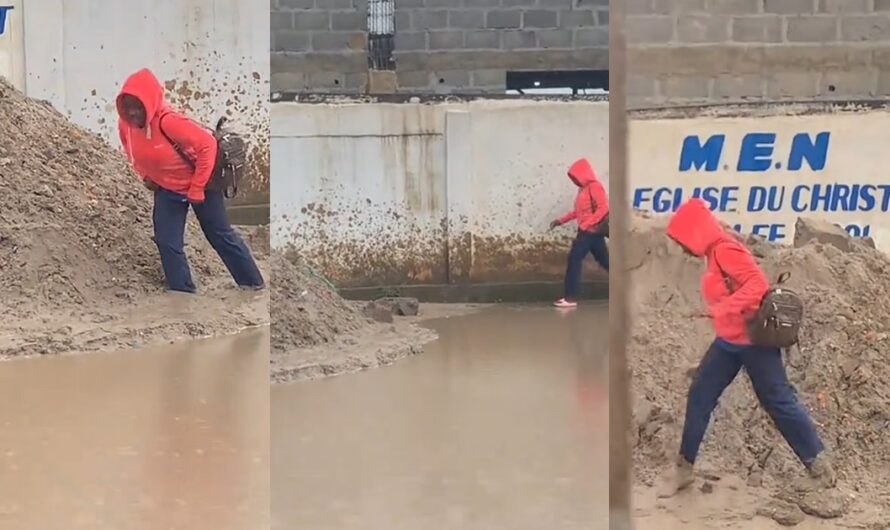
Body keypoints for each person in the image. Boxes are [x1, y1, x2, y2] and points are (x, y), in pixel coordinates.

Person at [658, 198, 835, 497]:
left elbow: (757, 286)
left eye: (682, 239)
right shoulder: (713, 253)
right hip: (729, 342)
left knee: (778, 401)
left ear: (695, 232)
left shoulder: (726, 250)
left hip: (754, 341)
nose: (682, 246)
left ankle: (820, 468)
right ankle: (684, 469)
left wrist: (721, 309)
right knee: (700, 395)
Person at [116, 68, 265, 294]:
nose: (133, 113)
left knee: (219, 235)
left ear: (150, 103)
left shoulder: (169, 122)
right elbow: (130, 150)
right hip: (168, 189)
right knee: (167, 242)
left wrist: (197, 188)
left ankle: (253, 284)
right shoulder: (126, 125)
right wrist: (145, 176)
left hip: (201, 185)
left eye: (138, 107)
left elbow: (208, 146)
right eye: (128, 107)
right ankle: (182, 292)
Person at [549, 158, 609, 308]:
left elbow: (604, 208)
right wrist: (560, 221)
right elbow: (578, 212)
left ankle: (570, 298)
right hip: (589, 232)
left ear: (583, 174)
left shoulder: (595, 187)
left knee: (574, 259)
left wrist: (587, 224)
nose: (574, 181)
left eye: (576, 177)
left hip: (589, 232)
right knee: (605, 261)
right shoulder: (582, 189)